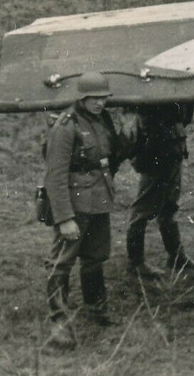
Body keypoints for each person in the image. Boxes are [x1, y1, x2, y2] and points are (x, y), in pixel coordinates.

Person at [42, 71, 129, 350]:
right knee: (62, 261)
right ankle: (58, 323)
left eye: (103, 98)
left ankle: (97, 309)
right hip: (74, 203)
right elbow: (54, 176)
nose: (99, 103)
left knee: (95, 257)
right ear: (82, 98)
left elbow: (112, 155)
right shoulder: (67, 125)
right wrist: (64, 218)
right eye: (94, 98)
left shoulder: (102, 120)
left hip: (99, 199)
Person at [124, 103, 194, 279]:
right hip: (155, 153)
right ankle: (135, 262)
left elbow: (184, 117)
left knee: (169, 206)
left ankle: (176, 256)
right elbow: (145, 117)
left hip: (174, 149)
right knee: (142, 210)